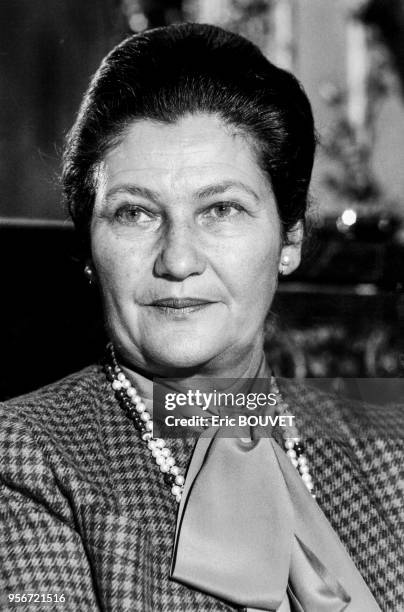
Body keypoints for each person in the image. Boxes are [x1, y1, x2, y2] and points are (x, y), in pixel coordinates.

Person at [0, 23, 402, 612]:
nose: (178, 259)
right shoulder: (27, 456)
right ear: (89, 245)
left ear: (290, 238)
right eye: (135, 213)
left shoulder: (385, 445)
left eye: (221, 209)